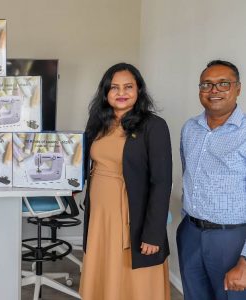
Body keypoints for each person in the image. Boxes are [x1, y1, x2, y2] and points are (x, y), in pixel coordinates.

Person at [79, 63, 172, 300]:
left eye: (128, 87)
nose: (121, 93)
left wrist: (154, 233)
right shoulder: (98, 122)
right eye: (114, 88)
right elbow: (84, 162)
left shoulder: (154, 126)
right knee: (103, 271)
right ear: (105, 92)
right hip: (100, 216)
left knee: (134, 280)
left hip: (132, 216)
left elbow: (161, 182)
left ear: (139, 90)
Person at [178, 60, 246, 300]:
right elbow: (188, 174)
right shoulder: (189, 129)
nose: (214, 90)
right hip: (190, 233)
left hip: (232, 239)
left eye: (223, 84)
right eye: (206, 84)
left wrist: (245, 259)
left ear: (238, 88)